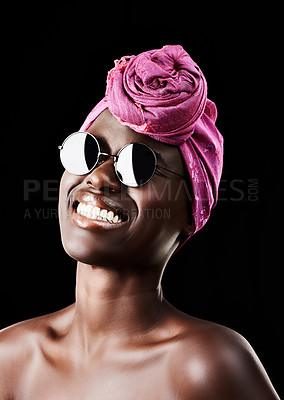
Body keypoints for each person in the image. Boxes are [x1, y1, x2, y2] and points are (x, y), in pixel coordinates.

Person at [0, 45, 279, 399]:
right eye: (87, 151)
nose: (98, 178)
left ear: (190, 214)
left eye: (138, 165)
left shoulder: (205, 365)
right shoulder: (10, 359)